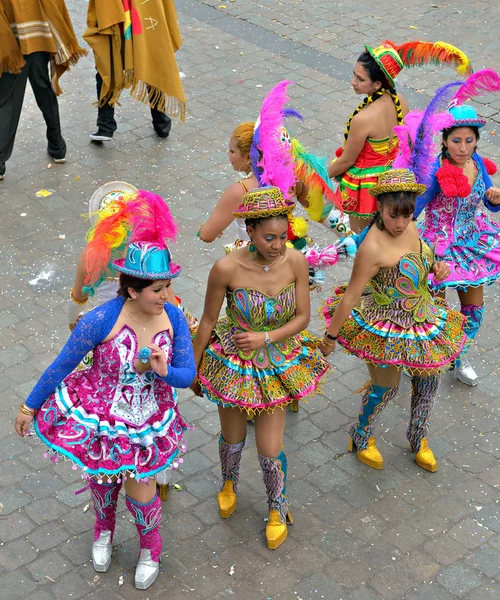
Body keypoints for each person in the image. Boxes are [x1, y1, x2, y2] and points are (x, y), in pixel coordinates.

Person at [15, 216, 196, 590]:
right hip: (102, 417)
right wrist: (29, 407)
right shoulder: (98, 320)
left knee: (141, 490)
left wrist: (165, 371)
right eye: (157, 290)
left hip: (149, 419)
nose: (166, 297)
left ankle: (150, 550)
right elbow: (62, 364)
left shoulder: (174, 317)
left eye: (167, 287)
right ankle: (103, 530)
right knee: (102, 481)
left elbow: (187, 376)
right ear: (132, 290)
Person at [191, 185, 330, 550]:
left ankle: (277, 506)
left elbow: (303, 318)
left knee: (270, 447)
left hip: (277, 363)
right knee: (233, 437)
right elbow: (207, 320)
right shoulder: (225, 268)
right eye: (269, 237)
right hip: (233, 364)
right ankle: (228, 483)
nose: (277, 244)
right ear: (249, 231)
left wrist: (265, 338)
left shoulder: (296, 262)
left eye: (284, 236)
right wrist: (191, 367)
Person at [320, 168, 469, 473]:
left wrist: (437, 267)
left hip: (422, 318)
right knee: (385, 387)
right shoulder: (372, 248)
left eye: (407, 214)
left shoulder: (411, 227)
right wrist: (330, 338)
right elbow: (350, 296)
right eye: (393, 216)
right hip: (384, 325)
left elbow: (422, 262)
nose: (400, 223)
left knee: (429, 381)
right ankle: (361, 435)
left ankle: (418, 439)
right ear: (380, 208)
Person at [415, 103, 500, 386]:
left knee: (473, 312)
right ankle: (427, 358)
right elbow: (415, 209)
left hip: (473, 243)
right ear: (444, 140)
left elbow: (488, 201)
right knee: (435, 315)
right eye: (456, 141)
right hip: (438, 249)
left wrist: (495, 200)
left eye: (469, 140)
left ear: (476, 141)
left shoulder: (477, 163)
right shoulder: (434, 171)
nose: (463, 147)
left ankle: (457, 357)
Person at [328, 40, 472, 233]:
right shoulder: (400, 102)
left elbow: (346, 161)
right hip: (394, 183)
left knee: (362, 241)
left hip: (366, 191)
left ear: (377, 83)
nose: (353, 82)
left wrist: (318, 175)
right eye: (354, 75)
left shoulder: (362, 119)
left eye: (360, 79)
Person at [197, 81, 349, 247]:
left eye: (232, 151)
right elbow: (322, 213)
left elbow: (207, 235)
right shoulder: (294, 180)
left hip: (255, 263)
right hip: (288, 257)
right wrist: (349, 236)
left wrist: (205, 228)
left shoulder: (241, 191)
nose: (229, 155)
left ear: (249, 157)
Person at [0, 0, 86, 179]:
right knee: (43, 90)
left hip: (9, 43)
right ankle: (57, 147)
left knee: (6, 101)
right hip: (36, 38)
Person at [83, 0, 186, 141]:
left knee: (109, 65)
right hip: (142, 20)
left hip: (118, 22)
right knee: (151, 63)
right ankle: (161, 124)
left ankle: (105, 127)